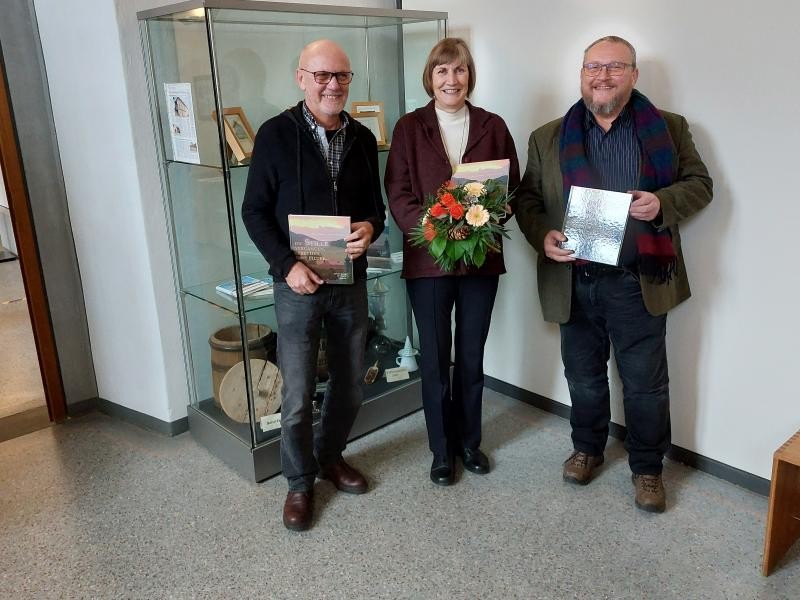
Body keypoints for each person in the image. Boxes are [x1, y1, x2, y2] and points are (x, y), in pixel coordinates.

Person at [515, 36, 712, 512]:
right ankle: (587, 447)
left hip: (636, 280)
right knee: (582, 377)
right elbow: (527, 200)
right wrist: (543, 235)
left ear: (634, 74)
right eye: (592, 68)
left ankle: (647, 468)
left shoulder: (669, 128)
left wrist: (662, 202)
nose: (602, 76)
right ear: (581, 74)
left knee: (645, 383)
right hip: (573, 281)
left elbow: (700, 185)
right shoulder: (547, 136)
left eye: (614, 67)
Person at [242, 39, 386, 531]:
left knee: (349, 384)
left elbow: (377, 211)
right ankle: (300, 483)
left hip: (349, 280)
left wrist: (371, 228)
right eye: (322, 75)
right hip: (297, 283)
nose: (332, 85)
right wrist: (286, 265)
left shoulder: (364, 138)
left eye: (341, 76)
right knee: (299, 391)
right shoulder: (275, 135)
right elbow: (254, 212)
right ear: (301, 78)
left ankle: (330, 456)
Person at [385, 38, 519, 486]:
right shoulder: (409, 127)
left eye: (459, 70)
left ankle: (469, 442)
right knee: (436, 359)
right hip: (429, 262)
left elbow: (510, 189)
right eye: (442, 71)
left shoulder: (493, 125)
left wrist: (488, 220)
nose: (451, 79)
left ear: (469, 77)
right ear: (430, 77)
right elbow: (398, 194)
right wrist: (434, 230)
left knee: (472, 356)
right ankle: (442, 451)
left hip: (480, 261)